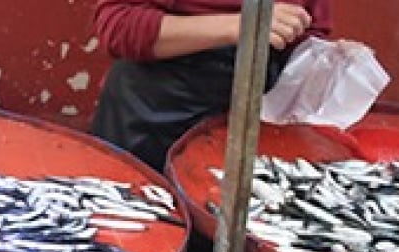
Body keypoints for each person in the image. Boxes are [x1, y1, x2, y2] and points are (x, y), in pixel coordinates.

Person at [90, 0, 332, 170]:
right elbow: (118, 25)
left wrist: (322, 66)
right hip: (153, 111)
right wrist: (243, 24)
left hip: (256, 115)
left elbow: (311, 28)